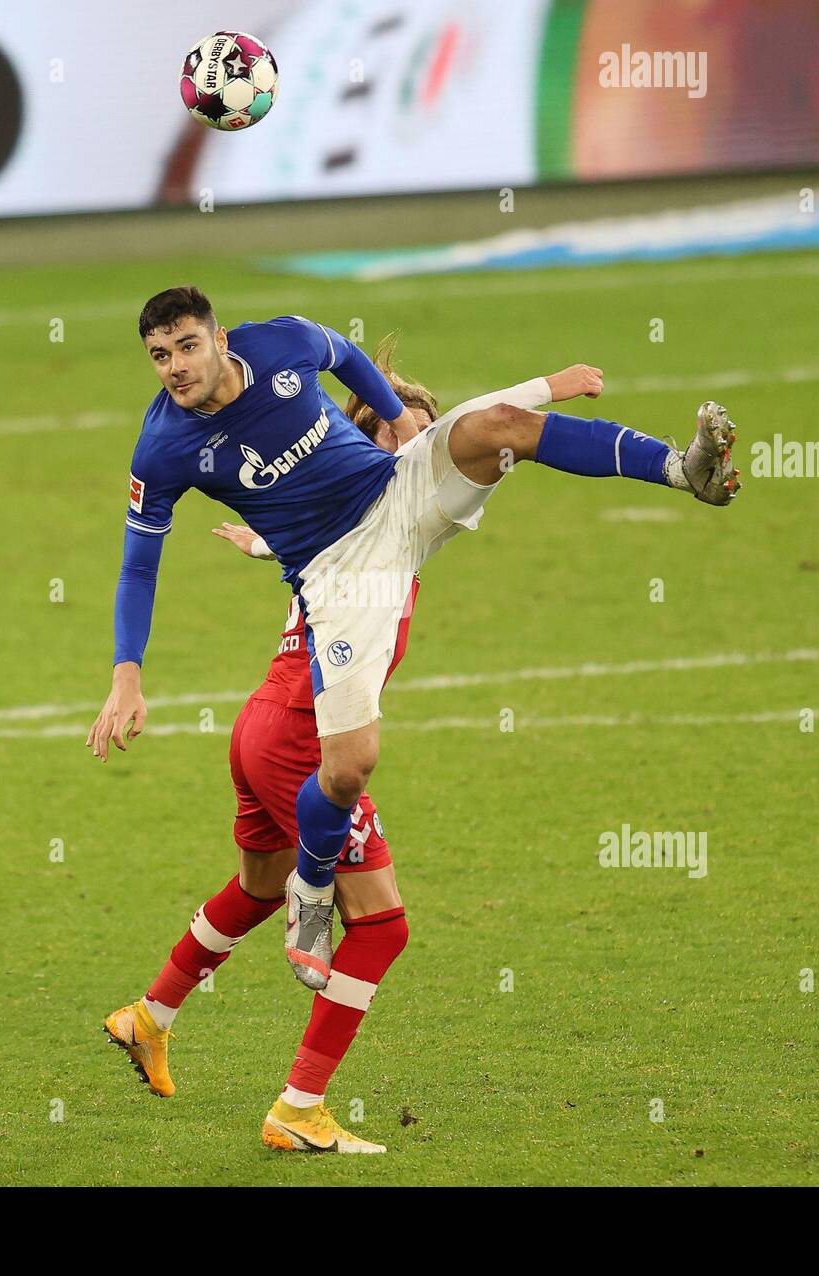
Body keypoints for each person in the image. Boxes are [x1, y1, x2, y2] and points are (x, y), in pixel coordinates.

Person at [100, 333, 705, 1151]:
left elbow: (474, 430)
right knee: (381, 926)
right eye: (400, 427)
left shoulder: (390, 516)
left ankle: (150, 1015)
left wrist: (545, 390)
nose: (416, 438)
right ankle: (298, 1106)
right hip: (297, 741)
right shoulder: (336, 507)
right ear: (362, 438)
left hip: (260, 729)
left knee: (254, 886)